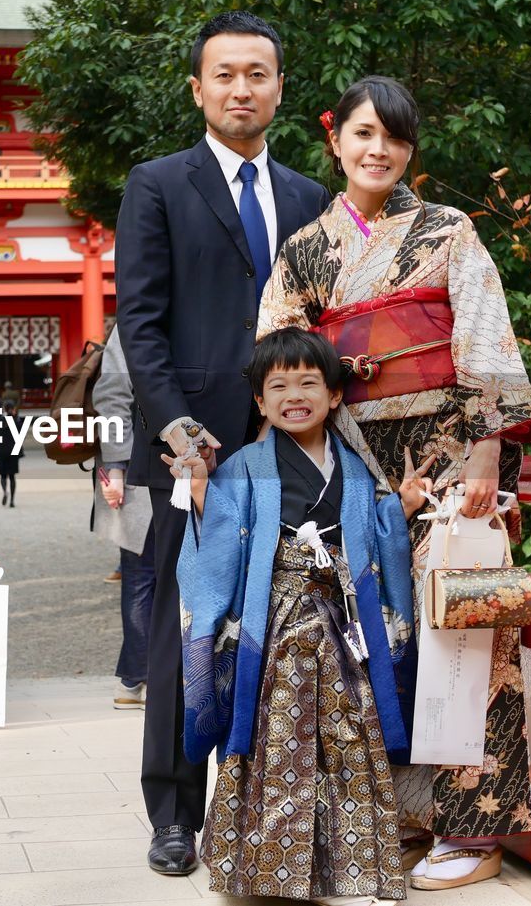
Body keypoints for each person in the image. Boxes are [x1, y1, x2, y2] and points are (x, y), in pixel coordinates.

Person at [257, 75, 531, 891]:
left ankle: (476, 823)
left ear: (409, 149)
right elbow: (278, 353)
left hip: (453, 452)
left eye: (393, 137)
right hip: (351, 455)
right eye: (362, 134)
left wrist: (489, 448)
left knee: (466, 625)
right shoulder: (306, 249)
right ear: (336, 143)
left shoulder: (449, 232)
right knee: (373, 634)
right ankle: (413, 810)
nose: (377, 149)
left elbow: (485, 336)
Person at [114, 10, 331, 875]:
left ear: (280, 88)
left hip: (290, 446)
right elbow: (141, 318)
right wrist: (176, 429)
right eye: (226, 74)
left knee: (288, 627)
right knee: (186, 629)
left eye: (259, 74)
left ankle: (274, 809)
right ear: (199, 88)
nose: (242, 88)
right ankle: (174, 811)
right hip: (188, 453)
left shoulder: (313, 199)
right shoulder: (158, 184)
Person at [174, 328, 432, 904]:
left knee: (349, 730)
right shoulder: (245, 467)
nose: (295, 394)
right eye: (279, 385)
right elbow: (220, 536)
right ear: (261, 403)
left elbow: (373, 538)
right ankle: (270, 868)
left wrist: (402, 508)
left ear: (336, 394)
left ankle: (352, 865)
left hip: (345, 617)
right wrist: (201, 494)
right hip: (279, 619)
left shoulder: (357, 471)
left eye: (309, 382)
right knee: (280, 731)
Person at [91, 326, 155, 710]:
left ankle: (146, 675)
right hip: (136, 468)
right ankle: (135, 677)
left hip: (195, 463)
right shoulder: (132, 324)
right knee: (141, 574)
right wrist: (115, 466)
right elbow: (112, 395)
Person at [0, 399, 24, 507]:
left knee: (3, 475)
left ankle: (5, 491)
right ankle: (12, 500)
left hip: (1, 450)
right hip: (13, 451)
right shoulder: (17, 421)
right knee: (12, 476)